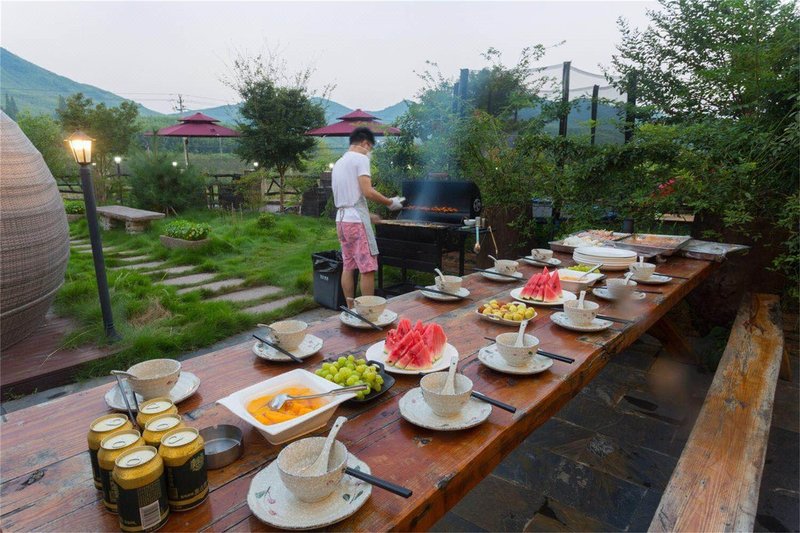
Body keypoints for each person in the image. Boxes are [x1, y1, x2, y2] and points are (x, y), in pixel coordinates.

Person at [331, 127, 403, 307]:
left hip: (342, 220)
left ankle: (350, 310)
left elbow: (349, 197)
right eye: (370, 148)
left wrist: (367, 215)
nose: (369, 152)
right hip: (356, 222)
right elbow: (367, 191)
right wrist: (390, 202)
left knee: (348, 266)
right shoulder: (361, 158)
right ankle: (368, 311)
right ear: (365, 143)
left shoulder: (339, 163)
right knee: (367, 268)